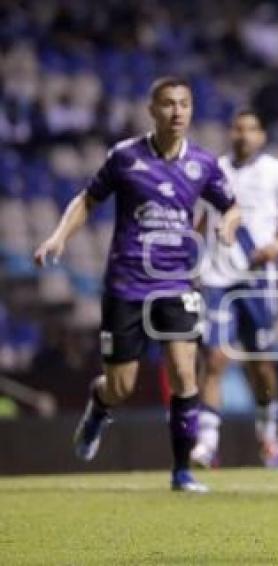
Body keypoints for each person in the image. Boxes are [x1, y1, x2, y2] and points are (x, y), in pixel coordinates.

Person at [33, 76, 240, 492]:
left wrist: (229, 227)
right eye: (168, 104)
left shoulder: (203, 163)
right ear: (152, 109)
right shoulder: (125, 157)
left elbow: (230, 206)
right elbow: (88, 200)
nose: (177, 111)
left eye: (184, 104)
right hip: (126, 283)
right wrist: (58, 236)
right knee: (120, 386)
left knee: (185, 373)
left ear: (192, 109)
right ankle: (98, 405)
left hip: (177, 282)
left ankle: (182, 471)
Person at [191, 109, 278, 468]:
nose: (243, 135)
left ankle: (267, 435)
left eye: (251, 129)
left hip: (257, 276)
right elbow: (198, 220)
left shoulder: (277, 171)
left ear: (262, 135)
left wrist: (277, 245)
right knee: (213, 357)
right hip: (217, 276)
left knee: (260, 365)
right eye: (238, 128)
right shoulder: (213, 170)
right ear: (230, 133)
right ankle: (207, 444)